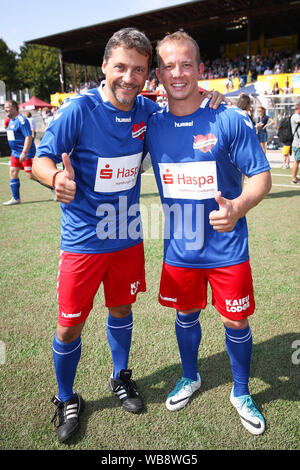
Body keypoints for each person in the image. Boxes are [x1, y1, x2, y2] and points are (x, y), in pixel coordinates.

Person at [32, 27, 227, 444]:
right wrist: (55, 180)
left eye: (138, 70)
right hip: (84, 242)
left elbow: (182, 114)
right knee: (69, 326)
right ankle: (67, 397)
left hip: (126, 236)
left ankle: (121, 377)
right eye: (120, 67)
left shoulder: (146, 112)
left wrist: (214, 100)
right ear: (104, 67)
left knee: (121, 311)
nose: (128, 77)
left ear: (146, 75)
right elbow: (40, 159)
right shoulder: (78, 111)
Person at [144, 31, 272, 435]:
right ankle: (189, 375)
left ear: (200, 69)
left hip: (227, 248)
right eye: (168, 65)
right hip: (180, 251)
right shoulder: (150, 123)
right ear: (158, 74)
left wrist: (237, 207)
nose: (177, 73)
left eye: (186, 64)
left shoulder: (228, 117)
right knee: (185, 315)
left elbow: (262, 176)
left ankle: (240, 390)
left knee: (236, 322)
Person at [3, 100, 36, 205]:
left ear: (14, 108)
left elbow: (28, 137)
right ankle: (16, 198)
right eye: (5, 107)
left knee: (31, 175)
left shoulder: (22, 120)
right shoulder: (10, 121)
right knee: (13, 172)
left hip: (26, 153)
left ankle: (53, 187)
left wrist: (24, 152)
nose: (5, 109)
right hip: (15, 153)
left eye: (7, 107)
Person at [290, 102, 300, 185]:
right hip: (298, 143)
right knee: (297, 161)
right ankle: (293, 178)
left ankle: (295, 178)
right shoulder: (295, 116)